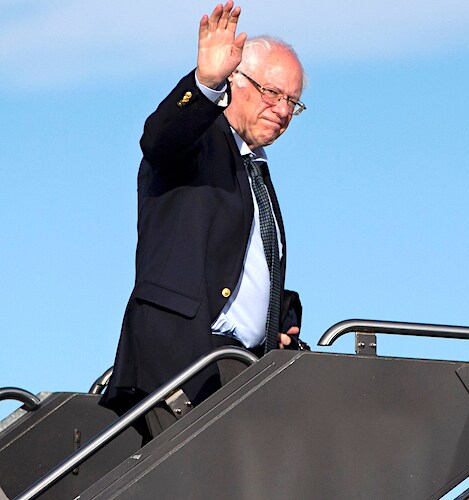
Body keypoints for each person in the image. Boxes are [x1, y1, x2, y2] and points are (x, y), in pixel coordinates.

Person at [100, 1, 308, 441]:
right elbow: (160, 139)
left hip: (239, 362)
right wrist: (205, 83)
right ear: (236, 78)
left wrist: (276, 320)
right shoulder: (200, 140)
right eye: (272, 93)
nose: (283, 110)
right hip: (185, 361)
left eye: (293, 102)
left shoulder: (256, 167)